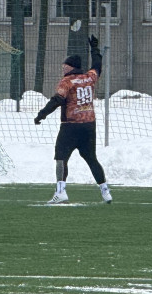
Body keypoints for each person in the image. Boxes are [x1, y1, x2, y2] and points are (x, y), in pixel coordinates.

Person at [34, 35, 111, 205]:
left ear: (71, 67)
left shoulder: (67, 81)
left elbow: (57, 100)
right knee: (91, 158)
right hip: (89, 125)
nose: (63, 68)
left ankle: (60, 191)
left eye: (65, 65)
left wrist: (41, 114)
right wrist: (95, 49)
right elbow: (97, 65)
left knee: (61, 157)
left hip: (70, 126)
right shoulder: (89, 78)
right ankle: (105, 190)